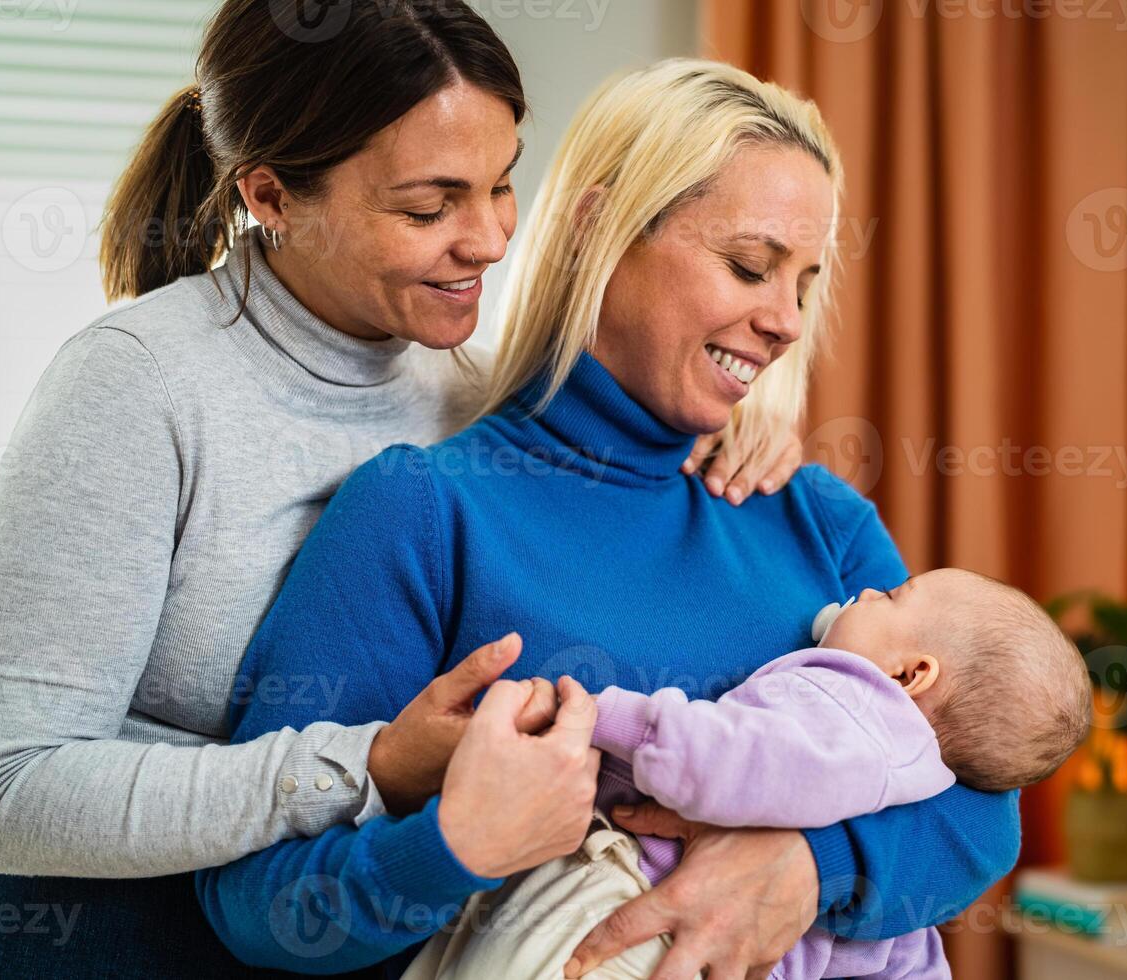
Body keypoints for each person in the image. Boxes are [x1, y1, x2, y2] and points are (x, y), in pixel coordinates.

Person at [0, 4, 795, 977]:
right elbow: (7, 794)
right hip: (105, 943)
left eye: (503, 186)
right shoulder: (139, 384)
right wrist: (371, 763)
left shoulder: (472, 398)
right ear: (271, 196)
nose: (488, 240)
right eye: (429, 207)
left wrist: (738, 417)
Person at [198, 59, 1022, 980]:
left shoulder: (815, 517)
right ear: (599, 230)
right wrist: (455, 848)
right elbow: (255, 902)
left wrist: (810, 866)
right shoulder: (425, 513)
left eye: (805, 282)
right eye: (749, 266)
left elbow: (985, 809)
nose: (788, 321)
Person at [397, 568, 1093, 979]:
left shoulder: (843, 701)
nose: (870, 590)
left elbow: (723, 760)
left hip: (653, 910)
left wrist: (604, 714)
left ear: (911, 675)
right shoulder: (910, 754)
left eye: (896, 594)